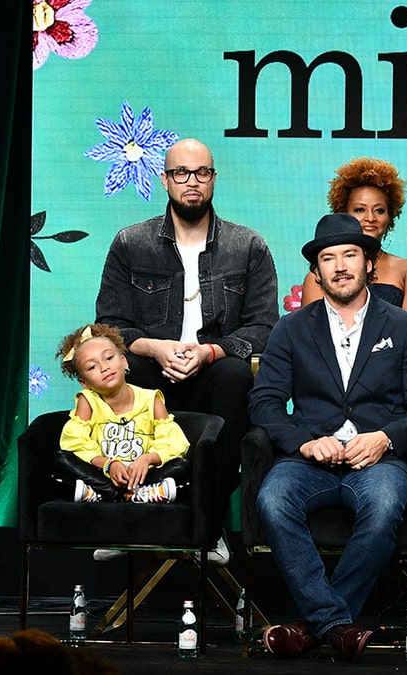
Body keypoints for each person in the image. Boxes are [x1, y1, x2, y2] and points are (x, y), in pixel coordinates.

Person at [249, 213, 407, 662]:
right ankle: (335, 624)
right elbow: (264, 402)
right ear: (316, 273)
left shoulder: (403, 326)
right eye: (328, 258)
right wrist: (302, 442)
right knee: (273, 501)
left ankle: (313, 627)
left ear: (370, 264)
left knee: (382, 507)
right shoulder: (291, 328)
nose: (340, 266)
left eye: (350, 255)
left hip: (379, 460)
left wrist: (385, 438)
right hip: (309, 458)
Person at [96, 138, 279, 562]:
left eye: (201, 173)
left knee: (237, 377)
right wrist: (156, 348)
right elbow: (110, 324)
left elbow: (265, 327)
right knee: (114, 372)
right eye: (181, 173)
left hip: (214, 370)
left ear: (213, 179)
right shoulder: (131, 243)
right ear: (165, 180)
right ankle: (126, 516)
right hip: (150, 367)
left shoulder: (248, 245)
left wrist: (209, 352)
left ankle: (206, 522)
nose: (191, 182)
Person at [53, 323, 189, 504]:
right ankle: (116, 493)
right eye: (92, 367)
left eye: (109, 358)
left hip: (141, 475)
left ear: (124, 362)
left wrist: (148, 459)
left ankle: (124, 493)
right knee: (60, 460)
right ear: (84, 383)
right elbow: (74, 443)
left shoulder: (151, 399)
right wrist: (109, 465)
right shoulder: (88, 401)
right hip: (104, 473)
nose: (104, 368)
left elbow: (174, 443)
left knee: (183, 466)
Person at [301, 156, 407, 322]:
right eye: (360, 209)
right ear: (343, 213)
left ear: (390, 217)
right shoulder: (317, 276)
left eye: (379, 211)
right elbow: (314, 336)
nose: (370, 218)